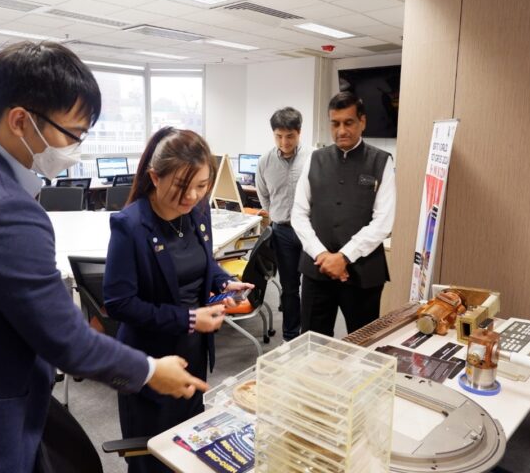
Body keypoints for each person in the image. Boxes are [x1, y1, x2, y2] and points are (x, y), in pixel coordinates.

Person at [0, 41, 207, 473]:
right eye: (72, 134)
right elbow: (66, 339)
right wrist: (149, 371)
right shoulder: (4, 208)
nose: (75, 149)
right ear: (20, 120)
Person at [103, 127, 253, 473]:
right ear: (155, 177)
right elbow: (119, 303)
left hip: (192, 353)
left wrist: (224, 282)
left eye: (202, 186)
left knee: (187, 449)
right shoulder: (130, 225)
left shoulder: (198, 212)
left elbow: (204, 263)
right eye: (183, 186)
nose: (192, 196)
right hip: (150, 361)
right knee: (151, 457)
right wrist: (189, 318)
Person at [291, 91, 396, 336]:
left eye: (348, 123)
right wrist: (321, 254)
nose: (341, 130)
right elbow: (299, 213)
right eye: (335, 123)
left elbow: (383, 221)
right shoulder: (315, 159)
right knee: (312, 342)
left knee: (362, 343)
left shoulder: (381, 162)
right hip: (317, 269)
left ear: (362, 122)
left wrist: (344, 257)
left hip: (363, 274)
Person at [255, 107, 311, 342]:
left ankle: (310, 334)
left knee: (312, 288)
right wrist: (277, 213)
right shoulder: (265, 162)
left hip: (310, 232)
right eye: (278, 136)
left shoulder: (313, 158)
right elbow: (264, 195)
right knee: (289, 288)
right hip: (282, 232)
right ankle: (290, 336)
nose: (284, 142)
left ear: (299, 133)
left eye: (290, 136)